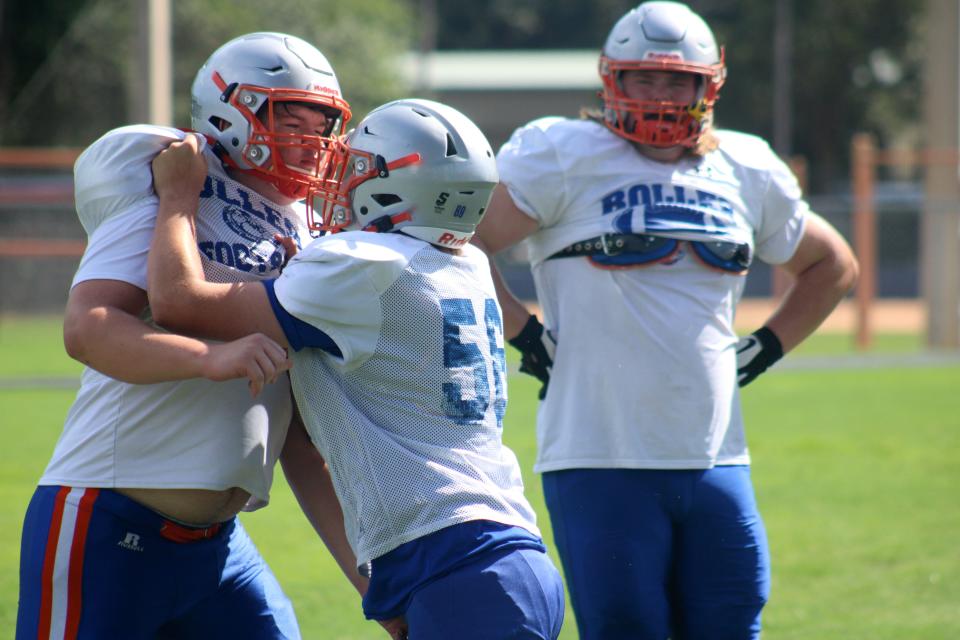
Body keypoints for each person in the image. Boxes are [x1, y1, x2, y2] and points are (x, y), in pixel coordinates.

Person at [472, 2, 860, 639]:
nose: (659, 95)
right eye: (643, 79)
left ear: (708, 86)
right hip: (599, 456)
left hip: (717, 458)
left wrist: (765, 346)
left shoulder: (744, 165)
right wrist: (522, 333)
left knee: (733, 623)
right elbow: (467, 241)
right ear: (610, 81)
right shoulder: (564, 151)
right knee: (627, 629)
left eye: (676, 80)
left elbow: (832, 263)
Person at [144, 97, 566, 639]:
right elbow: (308, 436)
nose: (340, 181)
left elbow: (178, 302)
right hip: (489, 555)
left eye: (358, 168)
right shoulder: (467, 263)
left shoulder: (362, 267)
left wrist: (179, 197)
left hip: (460, 565)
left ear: (397, 188)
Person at [16, 32, 364, 639]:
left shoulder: (310, 232)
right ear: (231, 110)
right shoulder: (171, 181)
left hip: (219, 548)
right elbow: (89, 328)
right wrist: (211, 357)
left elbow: (301, 440)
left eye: (323, 122)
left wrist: (372, 588)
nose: (314, 142)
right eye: (291, 118)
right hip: (106, 517)